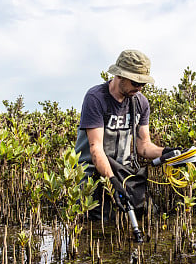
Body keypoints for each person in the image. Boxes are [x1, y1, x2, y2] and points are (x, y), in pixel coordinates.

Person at [75, 49, 175, 218]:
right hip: (92, 174)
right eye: (135, 83)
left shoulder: (141, 102)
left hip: (123, 173)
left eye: (143, 84)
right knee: (95, 225)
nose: (139, 88)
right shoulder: (96, 98)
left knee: (147, 214)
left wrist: (167, 152)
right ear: (119, 75)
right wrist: (112, 181)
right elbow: (96, 149)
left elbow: (144, 146)